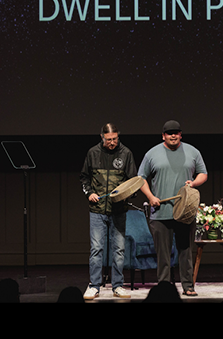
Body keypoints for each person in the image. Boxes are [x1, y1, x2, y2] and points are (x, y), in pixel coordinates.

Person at [138, 120, 208, 296]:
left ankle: (188, 286)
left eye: (176, 132)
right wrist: (151, 197)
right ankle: (164, 288)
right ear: (163, 135)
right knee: (163, 255)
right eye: (169, 133)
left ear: (180, 134)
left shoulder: (192, 151)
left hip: (184, 213)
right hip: (161, 213)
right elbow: (141, 179)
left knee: (185, 252)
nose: (173, 135)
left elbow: (203, 174)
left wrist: (194, 183)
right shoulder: (152, 154)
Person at [80, 123, 137, 300]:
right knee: (96, 248)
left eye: (115, 139)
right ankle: (94, 286)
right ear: (102, 137)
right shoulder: (93, 153)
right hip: (97, 210)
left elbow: (133, 182)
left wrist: (126, 195)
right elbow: (84, 178)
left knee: (119, 249)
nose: (112, 143)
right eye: (109, 139)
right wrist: (90, 193)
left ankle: (118, 285)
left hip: (118, 210)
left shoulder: (126, 153)